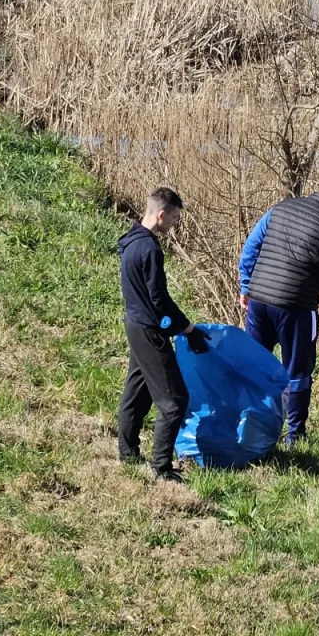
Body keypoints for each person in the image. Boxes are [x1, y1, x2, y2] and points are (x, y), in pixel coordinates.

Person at [238, 170, 319, 444]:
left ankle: (245, 426)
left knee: (253, 365)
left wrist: (246, 286)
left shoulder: (280, 208)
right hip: (296, 307)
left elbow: (250, 247)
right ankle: (294, 436)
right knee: (297, 373)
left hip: (259, 301)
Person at [117, 187, 210, 483]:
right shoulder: (150, 249)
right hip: (149, 331)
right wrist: (186, 328)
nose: (175, 224)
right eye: (174, 218)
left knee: (136, 394)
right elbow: (160, 302)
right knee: (175, 401)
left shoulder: (130, 242)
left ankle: (127, 453)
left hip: (134, 325)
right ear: (161, 215)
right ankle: (161, 467)